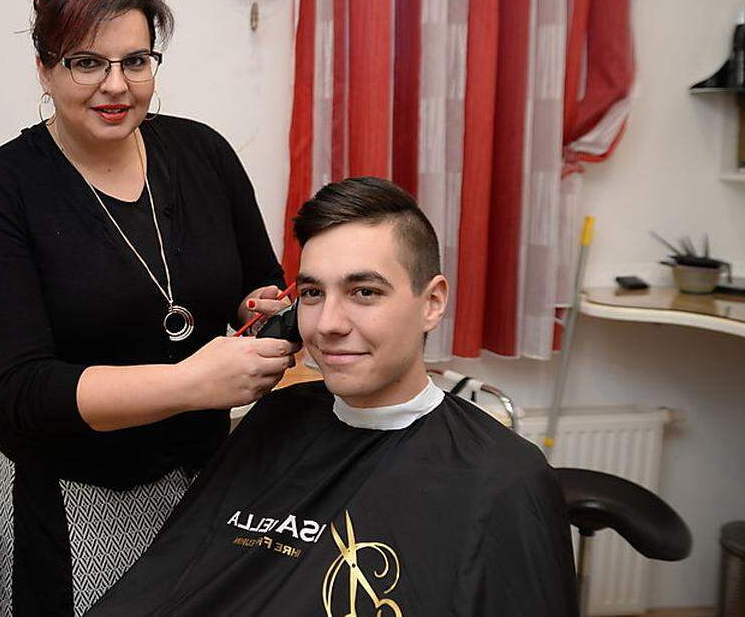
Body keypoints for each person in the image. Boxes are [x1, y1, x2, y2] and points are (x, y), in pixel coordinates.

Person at [0, 0, 295, 616]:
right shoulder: (1, 192)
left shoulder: (202, 154)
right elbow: (27, 392)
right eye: (88, 62)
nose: (117, 86)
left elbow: (256, 278)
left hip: (202, 478)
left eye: (136, 61)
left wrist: (260, 306)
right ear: (45, 68)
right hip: (72, 496)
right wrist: (195, 383)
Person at [89, 177, 579, 616]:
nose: (328, 324)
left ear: (432, 303)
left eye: (364, 292)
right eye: (313, 294)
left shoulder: (504, 479)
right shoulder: (277, 419)